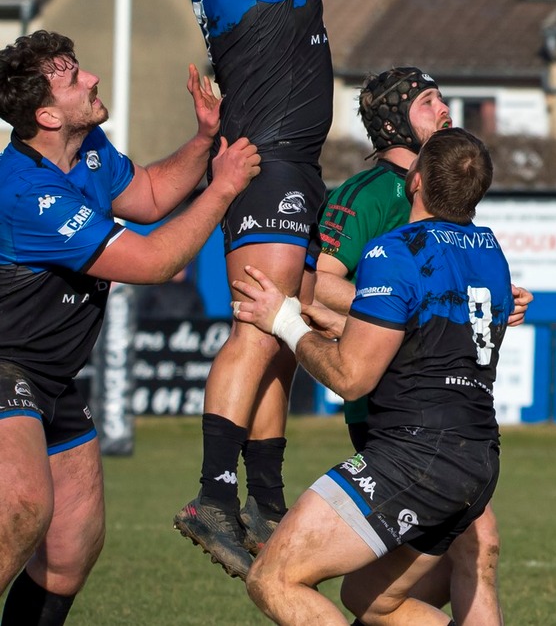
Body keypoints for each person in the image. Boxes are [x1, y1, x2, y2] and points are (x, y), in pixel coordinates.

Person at [162, 0, 465, 572]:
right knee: (259, 327)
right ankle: (214, 495)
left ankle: (260, 497)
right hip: (269, 159)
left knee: (282, 335)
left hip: (278, 155)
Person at [0, 31, 261, 620]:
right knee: (19, 511)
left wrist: (203, 142)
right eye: (72, 78)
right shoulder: (25, 192)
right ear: (45, 114)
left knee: (71, 548)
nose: (91, 78)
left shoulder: (87, 150)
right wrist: (222, 185)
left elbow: (145, 195)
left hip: (52, 378)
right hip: (5, 367)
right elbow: (152, 261)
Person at [235, 129, 513, 626]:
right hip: (476, 458)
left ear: (415, 181)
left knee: (274, 579)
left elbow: (351, 378)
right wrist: (349, 327)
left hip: (415, 454)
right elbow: (426, 346)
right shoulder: (489, 253)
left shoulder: (395, 251)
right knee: (372, 600)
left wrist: (285, 321)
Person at [311, 67, 527, 622]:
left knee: (474, 554)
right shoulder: (365, 193)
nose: (445, 110)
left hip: (439, 411)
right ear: (393, 120)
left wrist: (473, 305)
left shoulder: (452, 198)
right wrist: (404, 310)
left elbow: (444, 285)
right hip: (397, 410)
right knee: (442, 563)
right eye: (429, 102)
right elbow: (318, 286)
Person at [137, 265, 210, 323]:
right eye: (177, 268)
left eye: (183, 268)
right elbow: (143, 311)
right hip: (158, 334)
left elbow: (200, 316)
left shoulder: (192, 291)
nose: (180, 271)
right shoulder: (157, 288)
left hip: (182, 335)